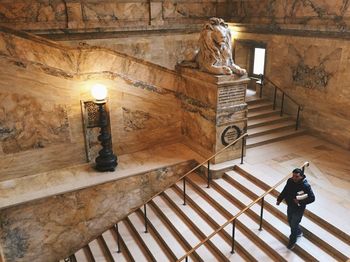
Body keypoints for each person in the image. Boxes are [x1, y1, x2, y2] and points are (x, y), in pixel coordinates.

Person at [276, 168, 315, 249]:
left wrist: (300, 202)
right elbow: (285, 190)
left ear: (301, 177)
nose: (294, 178)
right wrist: (279, 199)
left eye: (296, 176)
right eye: (293, 176)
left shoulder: (305, 185)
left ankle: (292, 241)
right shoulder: (290, 181)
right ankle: (298, 231)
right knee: (290, 221)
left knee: (294, 224)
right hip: (290, 205)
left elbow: (312, 198)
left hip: (299, 208)